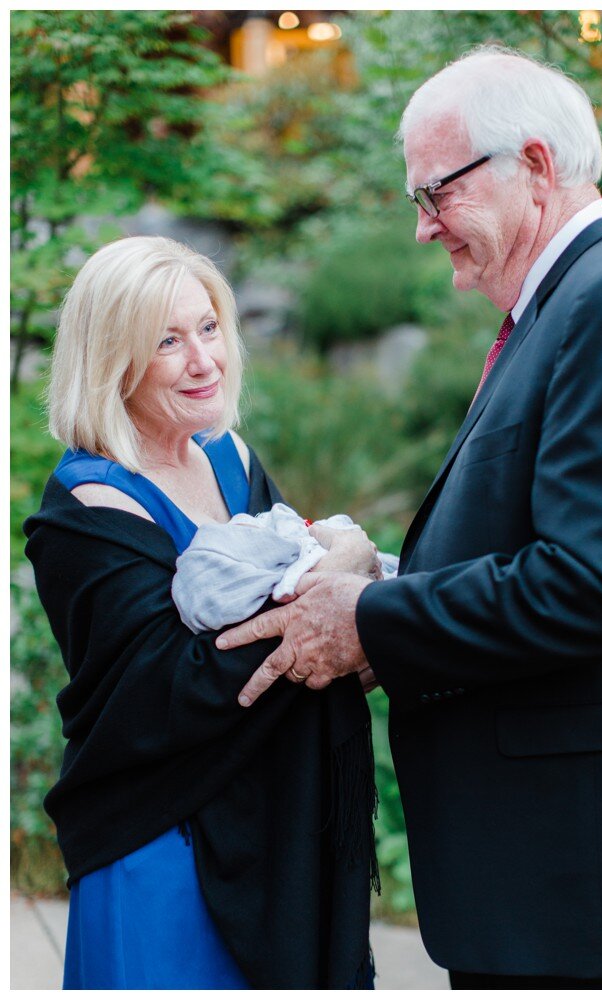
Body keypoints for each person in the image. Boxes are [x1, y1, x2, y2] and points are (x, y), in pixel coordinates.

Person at [220, 46, 602, 989]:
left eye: (436, 195)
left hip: (581, 872)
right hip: (555, 870)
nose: (424, 230)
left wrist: (366, 620)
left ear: (535, 166)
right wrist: (380, 573)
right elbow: (541, 545)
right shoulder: (573, 304)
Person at [23, 236, 379, 989]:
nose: (204, 360)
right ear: (113, 361)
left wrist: (344, 583)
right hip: (161, 841)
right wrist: (341, 579)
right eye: (167, 341)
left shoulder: (229, 458)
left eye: (209, 327)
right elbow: (168, 690)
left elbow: (302, 590)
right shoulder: (89, 507)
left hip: (275, 830)